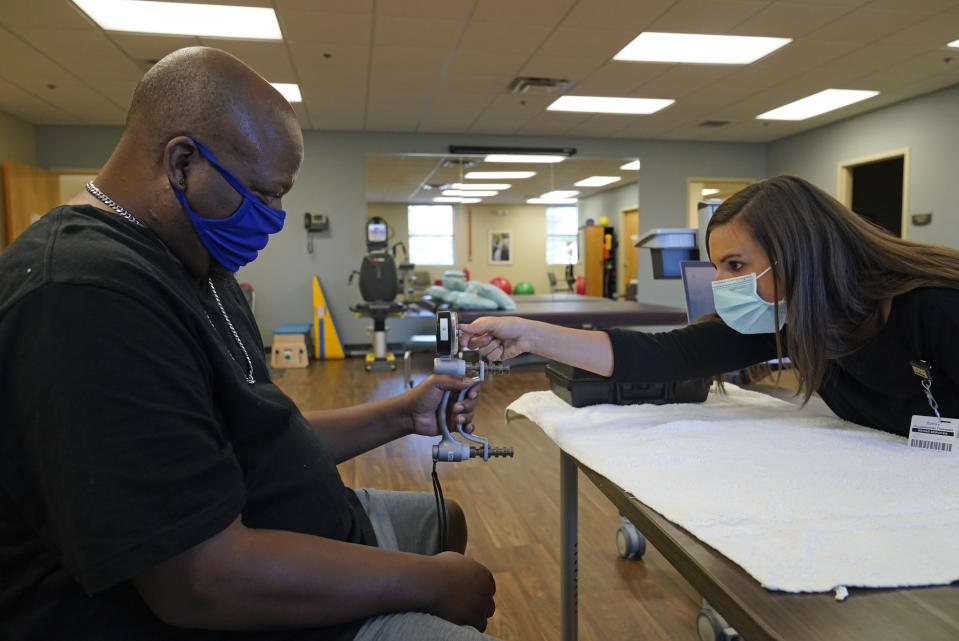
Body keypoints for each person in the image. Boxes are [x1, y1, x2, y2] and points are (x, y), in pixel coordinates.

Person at [0, 47, 500, 641]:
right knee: (453, 585)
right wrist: (428, 584)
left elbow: (251, 435)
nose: (276, 218)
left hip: (291, 523)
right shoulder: (84, 297)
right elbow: (199, 582)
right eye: (263, 195)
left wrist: (401, 414)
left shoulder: (196, 260)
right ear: (182, 161)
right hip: (237, 598)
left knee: (448, 522)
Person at [460, 175, 959, 437]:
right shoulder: (792, 316)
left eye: (736, 265)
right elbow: (666, 355)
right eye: (717, 266)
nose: (720, 282)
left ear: (797, 258)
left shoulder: (936, 309)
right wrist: (530, 334)